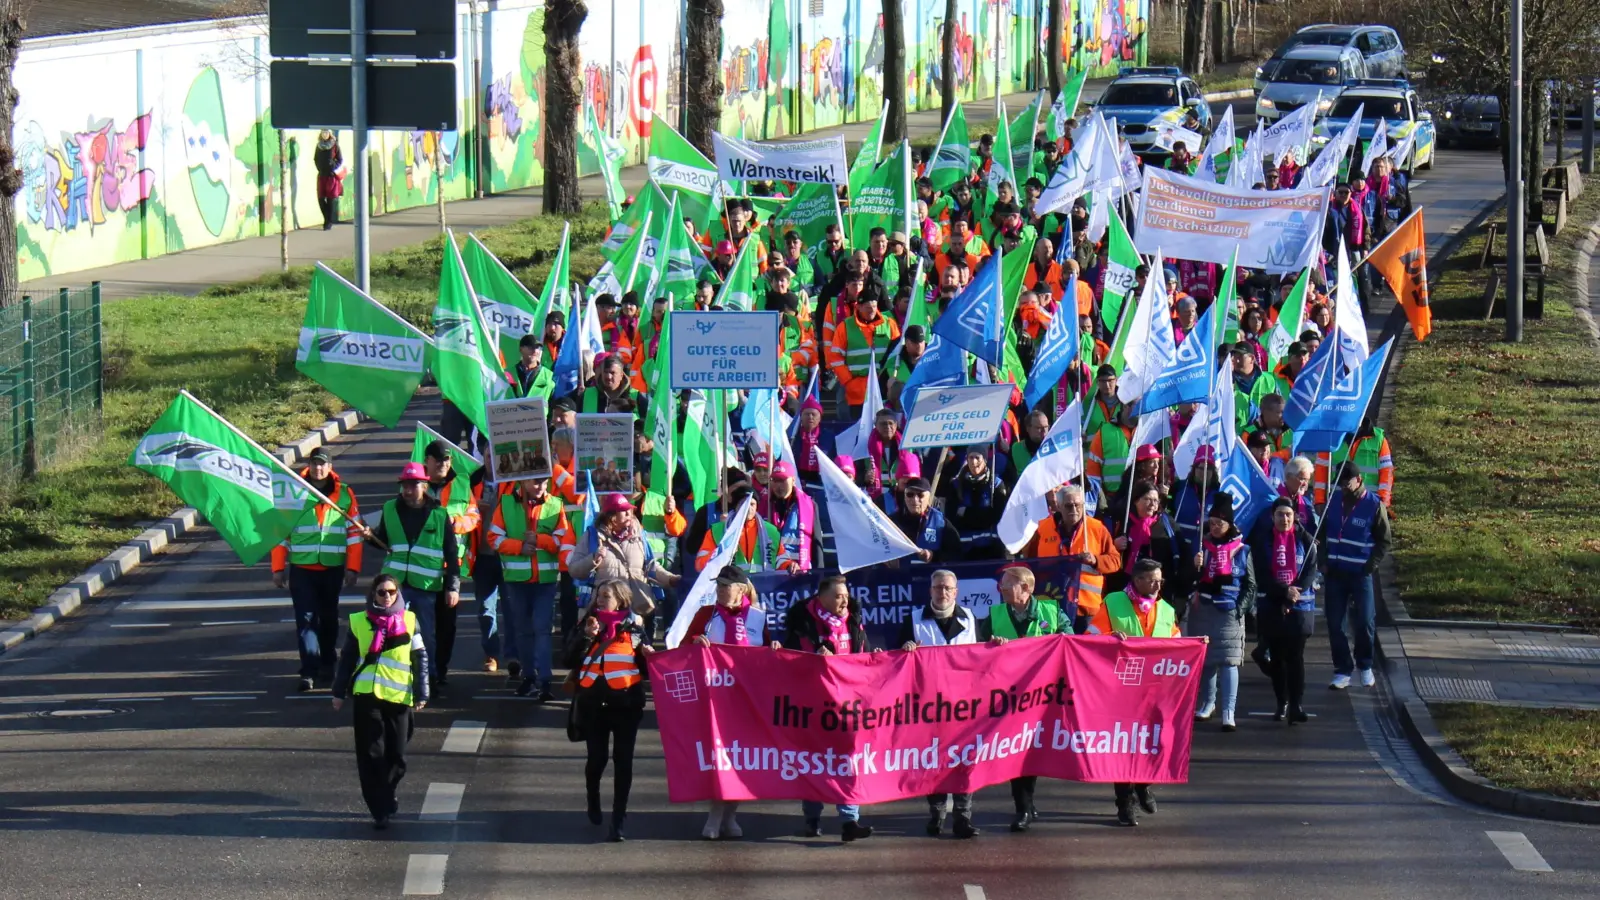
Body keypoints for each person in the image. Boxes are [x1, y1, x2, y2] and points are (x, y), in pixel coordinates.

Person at [781, 574, 877, 842]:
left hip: (848, 703)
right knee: (815, 761)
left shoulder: (854, 621)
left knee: (849, 760)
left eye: (845, 595)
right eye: (837, 596)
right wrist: (813, 659)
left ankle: (849, 820)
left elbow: (864, 655)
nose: (844, 600)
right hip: (813, 705)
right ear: (821, 598)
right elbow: (788, 662)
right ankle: (812, 818)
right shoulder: (802, 623)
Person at [1090, 558, 1183, 826]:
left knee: (1152, 741)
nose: (1157, 585)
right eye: (1153, 579)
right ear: (1137, 580)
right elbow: (1091, 636)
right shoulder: (1113, 602)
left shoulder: (1165, 608)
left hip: (1154, 689)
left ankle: (1143, 784)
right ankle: (1125, 801)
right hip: (1121, 687)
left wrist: (1197, 645)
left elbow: (1177, 644)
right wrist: (1110, 640)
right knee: (1123, 747)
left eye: (1160, 580)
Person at [330, 575, 428, 830]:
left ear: (398, 593)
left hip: (398, 697)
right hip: (367, 695)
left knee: (397, 756)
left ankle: (388, 791)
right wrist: (338, 693)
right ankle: (379, 808)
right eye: (381, 592)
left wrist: (423, 692)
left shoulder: (409, 620)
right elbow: (347, 660)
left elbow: (420, 657)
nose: (386, 597)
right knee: (371, 754)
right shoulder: (358, 621)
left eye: (391, 592)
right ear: (372, 594)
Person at [897, 569, 985, 839]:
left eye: (947, 588)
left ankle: (963, 817)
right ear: (930, 590)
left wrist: (996, 645)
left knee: (964, 761)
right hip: (929, 706)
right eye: (938, 588)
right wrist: (906, 648)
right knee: (933, 762)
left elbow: (983, 656)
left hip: (964, 706)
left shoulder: (970, 618)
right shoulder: (913, 619)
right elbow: (895, 656)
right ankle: (937, 815)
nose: (943, 592)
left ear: (956, 592)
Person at [976, 565, 1063, 831]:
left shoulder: (1052, 612)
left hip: (1043, 696)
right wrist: (992, 647)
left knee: (1033, 749)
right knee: (1016, 749)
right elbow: (977, 649)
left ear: (1026, 588)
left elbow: (1070, 643)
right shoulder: (994, 615)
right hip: (1008, 696)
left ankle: (1028, 802)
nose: (1000, 589)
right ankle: (1022, 807)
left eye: (1007, 585)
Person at [271, 448, 362, 692]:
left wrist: (352, 568)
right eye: (314, 463)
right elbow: (281, 534)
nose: (318, 468)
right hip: (302, 569)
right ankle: (308, 670)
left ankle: (328, 663)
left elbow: (354, 534)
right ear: (309, 465)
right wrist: (278, 568)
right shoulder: (295, 492)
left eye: (322, 464)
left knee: (329, 619)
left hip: (332, 569)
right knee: (306, 620)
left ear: (330, 467)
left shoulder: (344, 495)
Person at [567, 579, 650, 842]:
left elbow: (647, 671)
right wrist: (585, 638)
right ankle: (593, 796)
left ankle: (619, 819)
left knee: (623, 762)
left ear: (621, 601)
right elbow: (567, 659)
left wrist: (649, 655)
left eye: (606, 596)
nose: (600, 600)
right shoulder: (587, 625)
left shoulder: (635, 629)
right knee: (597, 760)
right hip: (593, 705)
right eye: (599, 596)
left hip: (626, 705)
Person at [369, 462, 460, 693]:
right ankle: (392, 678)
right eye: (405, 485)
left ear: (425, 485)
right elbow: (383, 540)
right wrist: (369, 536)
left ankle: (428, 679)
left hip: (426, 586)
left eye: (413, 485)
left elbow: (452, 552)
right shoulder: (390, 508)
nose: (408, 490)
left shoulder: (439, 514)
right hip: (394, 586)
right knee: (390, 630)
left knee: (425, 635)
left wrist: (453, 586)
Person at [488, 475, 574, 700]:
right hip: (516, 581)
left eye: (544, 483)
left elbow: (562, 539)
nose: (541, 487)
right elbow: (494, 538)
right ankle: (528, 677)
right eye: (536, 483)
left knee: (542, 629)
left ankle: (545, 680)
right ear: (523, 482)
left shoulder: (556, 504)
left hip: (544, 581)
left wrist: (538, 539)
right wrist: (519, 547)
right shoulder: (506, 504)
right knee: (523, 631)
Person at [1319, 463, 1391, 690]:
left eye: (1347, 480)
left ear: (1358, 480)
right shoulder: (1333, 502)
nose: (1343, 485)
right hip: (1335, 574)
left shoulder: (1373, 505)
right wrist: (1323, 561)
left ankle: (1365, 665)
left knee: (1365, 622)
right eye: (1340, 481)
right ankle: (1342, 670)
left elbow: (1384, 540)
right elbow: (1321, 535)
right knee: (1335, 624)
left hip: (1360, 575)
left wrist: (1370, 566)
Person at [1187, 495, 1254, 732]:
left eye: (1219, 524)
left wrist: (1240, 608)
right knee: (1206, 660)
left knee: (1228, 660)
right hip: (1203, 608)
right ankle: (1208, 703)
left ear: (1229, 525)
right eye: (1212, 523)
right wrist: (1194, 566)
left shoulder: (1242, 550)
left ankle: (1229, 710)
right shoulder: (1201, 547)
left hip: (1229, 610)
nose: (1214, 528)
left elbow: (1250, 584)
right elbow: (1187, 579)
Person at [1250, 497, 1318, 723]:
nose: (1285, 518)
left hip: (1300, 607)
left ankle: (1297, 704)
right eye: (1280, 514)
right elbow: (1262, 574)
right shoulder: (1263, 541)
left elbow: (1310, 571)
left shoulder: (1306, 540)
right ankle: (1282, 702)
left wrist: (1294, 592)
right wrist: (1282, 592)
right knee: (1277, 657)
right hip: (1272, 604)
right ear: (1273, 516)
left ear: (1295, 516)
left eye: (1289, 514)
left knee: (1295, 657)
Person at [1026, 485, 1122, 633]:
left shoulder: (1097, 528)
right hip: (1051, 605)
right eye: (1068, 506)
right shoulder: (1042, 529)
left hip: (1086, 607)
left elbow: (1115, 561)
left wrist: (1096, 560)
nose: (1074, 510)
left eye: (1078, 505)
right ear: (1058, 506)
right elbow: (1030, 565)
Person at [568, 494, 683, 616]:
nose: (629, 514)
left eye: (630, 510)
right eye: (624, 511)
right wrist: (592, 560)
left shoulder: (639, 536)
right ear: (611, 516)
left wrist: (671, 579)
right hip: (605, 613)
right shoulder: (592, 537)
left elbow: (651, 567)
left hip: (636, 611)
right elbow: (574, 570)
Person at [1108, 479, 1181, 597]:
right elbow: (1103, 547)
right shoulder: (1122, 520)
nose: (1153, 504)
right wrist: (1114, 544)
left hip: (1156, 588)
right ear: (1136, 500)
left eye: (1156, 501)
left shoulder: (1166, 524)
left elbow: (1178, 553)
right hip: (1123, 585)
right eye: (1148, 499)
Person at [946, 448, 1009, 560]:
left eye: (977, 458)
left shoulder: (996, 484)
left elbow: (997, 516)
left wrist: (966, 512)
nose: (974, 462)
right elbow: (951, 517)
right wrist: (983, 514)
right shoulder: (956, 484)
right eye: (971, 457)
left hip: (991, 547)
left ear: (984, 460)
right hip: (964, 548)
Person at [762, 459, 822, 572]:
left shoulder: (809, 505)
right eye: (775, 480)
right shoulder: (764, 504)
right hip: (770, 571)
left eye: (783, 480)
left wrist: (819, 574)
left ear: (793, 480)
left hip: (799, 572)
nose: (778, 485)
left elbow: (816, 543)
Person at [890, 477, 962, 564]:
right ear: (904, 497)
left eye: (920, 495)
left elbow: (955, 552)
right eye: (910, 494)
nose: (915, 500)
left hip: (929, 574)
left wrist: (933, 555)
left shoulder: (940, 523)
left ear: (928, 498)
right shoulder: (892, 522)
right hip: (900, 575)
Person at [314, 130, 343, 230]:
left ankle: (328, 222)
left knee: (330, 200)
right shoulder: (319, 146)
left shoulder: (335, 145)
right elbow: (315, 159)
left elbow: (340, 159)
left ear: (330, 134)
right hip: (322, 175)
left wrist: (333, 166)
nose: (325, 134)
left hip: (331, 176)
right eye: (323, 132)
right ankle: (327, 219)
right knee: (321, 199)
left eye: (326, 132)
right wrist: (320, 167)